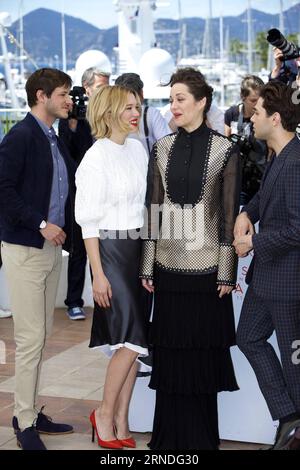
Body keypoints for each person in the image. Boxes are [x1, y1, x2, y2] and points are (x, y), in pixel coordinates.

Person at [140, 67, 240, 450]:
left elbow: (229, 216)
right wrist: (147, 264)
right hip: (167, 272)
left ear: (201, 102)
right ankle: (166, 442)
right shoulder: (161, 147)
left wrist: (227, 271)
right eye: (171, 99)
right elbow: (152, 209)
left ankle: (200, 442)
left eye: (181, 98)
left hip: (207, 273)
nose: (174, 106)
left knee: (199, 362)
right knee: (170, 361)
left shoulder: (225, 150)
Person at [0, 68, 75, 450]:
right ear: (41, 95)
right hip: (26, 249)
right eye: (62, 94)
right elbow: (3, 191)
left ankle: (28, 410)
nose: (69, 100)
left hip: (49, 249)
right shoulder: (21, 136)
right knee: (30, 339)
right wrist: (42, 223)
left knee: (42, 336)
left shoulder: (55, 138)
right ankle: (23, 419)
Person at [75, 85, 149, 449]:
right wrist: (98, 274)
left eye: (138, 106)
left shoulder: (137, 149)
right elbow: (87, 223)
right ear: (108, 114)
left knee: (134, 342)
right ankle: (104, 413)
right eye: (128, 108)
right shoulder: (95, 157)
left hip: (139, 249)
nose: (136, 113)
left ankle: (121, 418)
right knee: (130, 339)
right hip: (110, 253)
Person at [234, 81, 300, 451]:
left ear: (274, 118)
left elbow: (298, 228)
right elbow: (265, 194)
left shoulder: (296, 162)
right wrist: (248, 212)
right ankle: (289, 417)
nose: (251, 117)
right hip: (267, 279)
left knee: (295, 366)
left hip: (289, 283)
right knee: (248, 337)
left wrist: (253, 241)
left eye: (257, 112)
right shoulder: (280, 155)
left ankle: (293, 430)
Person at [58, 67, 110, 321]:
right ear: (87, 87)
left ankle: (103, 299)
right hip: (79, 192)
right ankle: (74, 301)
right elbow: (67, 153)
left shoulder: (104, 115)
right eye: (101, 86)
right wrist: (73, 123)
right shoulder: (69, 117)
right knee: (79, 247)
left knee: (103, 248)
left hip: (104, 191)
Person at [225, 75, 267, 204]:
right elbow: (226, 143)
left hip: (261, 176)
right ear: (243, 97)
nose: (258, 104)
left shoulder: (266, 115)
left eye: (260, 99)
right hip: (239, 178)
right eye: (253, 100)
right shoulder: (232, 114)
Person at [115, 72, 171, 156]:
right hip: (146, 167)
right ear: (141, 93)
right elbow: (168, 145)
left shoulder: (111, 115)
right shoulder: (151, 113)